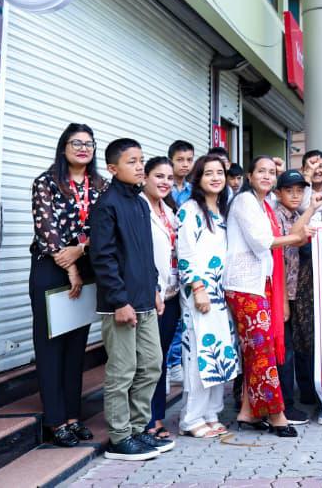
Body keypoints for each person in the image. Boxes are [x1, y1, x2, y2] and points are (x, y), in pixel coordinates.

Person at [88, 138, 170, 462]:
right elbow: (103, 258)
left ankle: (137, 430)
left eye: (141, 160)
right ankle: (120, 438)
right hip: (120, 305)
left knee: (151, 365)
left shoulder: (139, 203)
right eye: (131, 161)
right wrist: (119, 301)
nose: (139, 166)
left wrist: (155, 288)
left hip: (145, 300)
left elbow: (145, 253)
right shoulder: (106, 206)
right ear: (112, 168)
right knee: (122, 371)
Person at [225, 155, 313, 436]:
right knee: (262, 352)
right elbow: (261, 242)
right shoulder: (244, 201)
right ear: (249, 176)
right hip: (244, 285)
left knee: (256, 352)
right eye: (260, 171)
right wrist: (296, 239)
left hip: (260, 284)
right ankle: (276, 414)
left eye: (271, 172)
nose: (266, 176)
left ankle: (248, 412)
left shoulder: (265, 204)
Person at [28, 123, 105, 447]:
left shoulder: (100, 185)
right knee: (51, 345)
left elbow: (104, 226)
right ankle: (55, 419)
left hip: (86, 267)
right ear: (64, 147)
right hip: (51, 267)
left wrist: (81, 251)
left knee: (76, 345)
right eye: (76, 143)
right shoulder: (46, 183)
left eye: (88, 144)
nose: (83, 148)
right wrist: (71, 267)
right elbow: (47, 229)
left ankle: (73, 416)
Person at [175, 155, 239, 438]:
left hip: (222, 293)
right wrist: (198, 289)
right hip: (200, 291)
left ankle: (211, 413)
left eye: (219, 173)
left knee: (220, 354)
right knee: (199, 354)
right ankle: (191, 418)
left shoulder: (223, 210)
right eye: (208, 173)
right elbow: (185, 252)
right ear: (198, 179)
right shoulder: (190, 210)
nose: (215, 178)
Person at [272, 170, 320, 425]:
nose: (295, 195)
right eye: (289, 190)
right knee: (284, 351)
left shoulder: (294, 213)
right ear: (278, 193)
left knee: (290, 349)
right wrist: (311, 209)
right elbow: (292, 237)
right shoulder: (276, 214)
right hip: (279, 292)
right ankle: (284, 406)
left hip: (292, 292)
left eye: (299, 190)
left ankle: (287, 402)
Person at [141, 157, 181, 441]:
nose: (165, 182)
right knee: (148, 359)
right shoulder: (139, 207)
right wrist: (152, 289)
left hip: (173, 294)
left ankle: (156, 416)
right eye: (159, 176)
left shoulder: (169, 210)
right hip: (151, 295)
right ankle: (145, 420)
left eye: (168, 177)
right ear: (145, 177)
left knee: (161, 357)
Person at [168, 141, 196, 205]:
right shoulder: (163, 187)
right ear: (170, 161)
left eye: (189, 160)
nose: (185, 165)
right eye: (180, 160)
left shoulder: (193, 190)